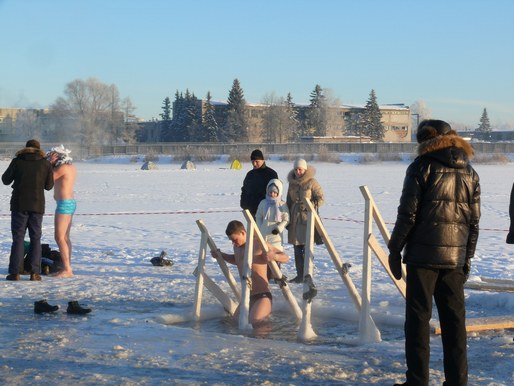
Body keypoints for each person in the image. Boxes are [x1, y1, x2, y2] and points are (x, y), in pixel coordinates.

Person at [387, 119, 481, 386]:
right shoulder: (471, 172)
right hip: (455, 259)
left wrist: (395, 249)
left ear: (425, 140)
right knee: (454, 324)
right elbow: (474, 222)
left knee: (417, 322)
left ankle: (417, 381)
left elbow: (408, 214)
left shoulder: (421, 167)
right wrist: (466, 258)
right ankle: (457, 381)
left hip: (422, 259)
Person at [213, 220, 290, 327]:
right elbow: (237, 260)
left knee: (256, 324)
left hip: (262, 296)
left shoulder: (259, 244)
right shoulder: (236, 247)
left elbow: (285, 257)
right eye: (231, 240)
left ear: (243, 233)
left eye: (235, 239)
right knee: (234, 323)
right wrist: (221, 255)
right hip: (248, 296)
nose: (233, 243)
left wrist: (274, 256)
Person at [2, 139, 54, 281]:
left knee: (18, 238)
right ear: (39, 149)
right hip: (37, 205)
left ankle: (15, 273)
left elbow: (5, 180)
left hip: (19, 204)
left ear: (26, 148)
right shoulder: (45, 163)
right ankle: (34, 273)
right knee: (35, 238)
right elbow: (49, 186)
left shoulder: (17, 161)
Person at [286, 158, 324, 283]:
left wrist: (310, 205)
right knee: (297, 248)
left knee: (307, 248)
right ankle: (299, 275)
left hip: (307, 218)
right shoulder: (291, 184)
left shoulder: (312, 182)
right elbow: (288, 201)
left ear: (305, 169)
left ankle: (308, 274)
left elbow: (321, 198)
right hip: (295, 218)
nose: (298, 172)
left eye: (300, 169)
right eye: (296, 169)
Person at [47, 145, 76, 278]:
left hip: (64, 205)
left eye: (52, 156)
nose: (50, 158)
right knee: (65, 237)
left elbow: (47, 179)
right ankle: (67, 266)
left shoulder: (63, 168)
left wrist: (48, 164)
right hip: (67, 203)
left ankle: (67, 269)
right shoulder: (69, 167)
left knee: (59, 237)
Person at [240, 149, 278, 218]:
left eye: (257, 161)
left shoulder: (271, 174)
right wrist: (243, 204)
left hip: (266, 212)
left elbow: (276, 193)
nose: (254, 164)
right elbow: (244, 190)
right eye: (253, 162)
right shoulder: (250, 174)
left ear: (263, 160)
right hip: (251, 212)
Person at [255, 179, 290, 251]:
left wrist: (279, 228)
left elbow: (286, 219)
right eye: (270, 192)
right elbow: (258, 216)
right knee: (264, 254)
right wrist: (260, 227)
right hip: (263, 233)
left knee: (275, 254)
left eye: (275, 192)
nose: (272, 194)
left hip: (275, 235)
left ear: (279, 192)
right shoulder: (263, 203)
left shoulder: (282, 204)